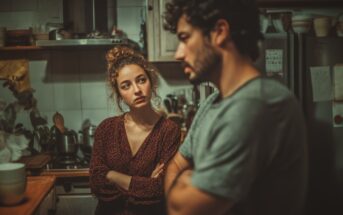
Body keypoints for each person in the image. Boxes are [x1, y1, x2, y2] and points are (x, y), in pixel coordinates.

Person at [163, 1, 308, 215]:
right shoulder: (212, 103)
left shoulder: (256, 104)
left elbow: (182, 209)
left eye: (185, 38)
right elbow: (175, 166)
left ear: (220, 32)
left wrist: (189, 180)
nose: (178, 53)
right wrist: (186, 183)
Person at [89, 46, 181, 215]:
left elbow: (160, 189)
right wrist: (144, 183)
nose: (137, 90)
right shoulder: (107, 129)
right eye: (126, 86)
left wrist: (112, 175)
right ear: (119, 94)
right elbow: (96, 182)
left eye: (141, 80)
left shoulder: (169, 131)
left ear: (151, 82)